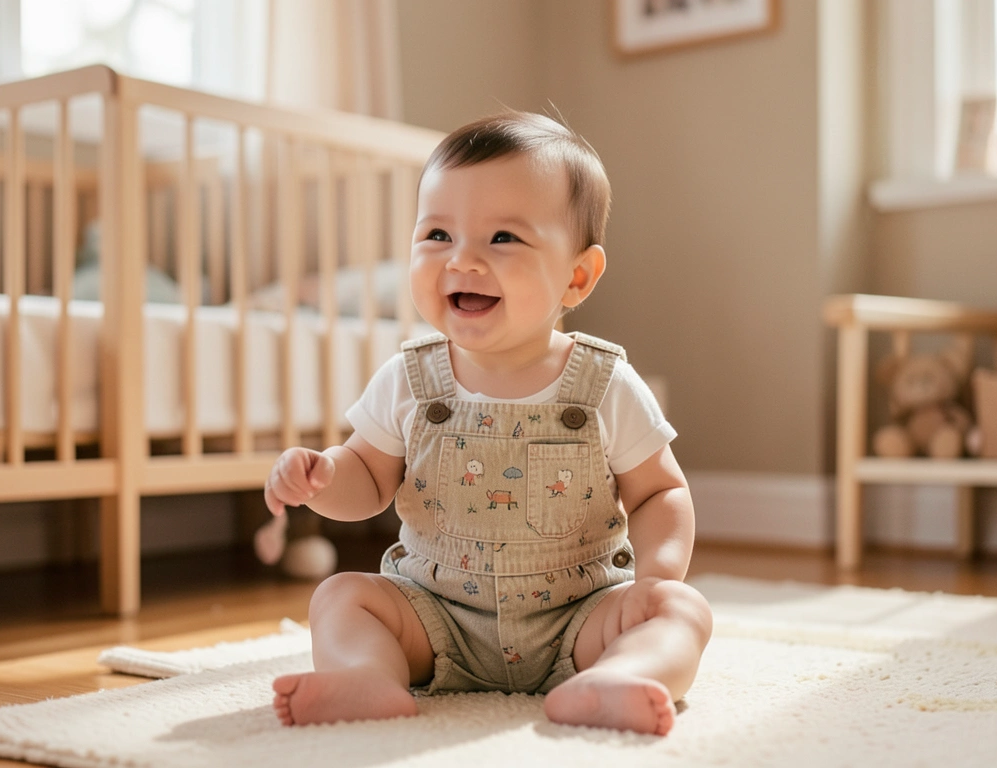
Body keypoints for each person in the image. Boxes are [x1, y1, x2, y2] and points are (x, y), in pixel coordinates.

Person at [263, 111, 713, 736]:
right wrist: (321, 476)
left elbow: (661, 491)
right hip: (433, 614)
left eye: (502, 238)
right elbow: (365, 480)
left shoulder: (603, 384)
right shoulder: (409, 380)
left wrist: (653, 581)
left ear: (576, 276)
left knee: (680, 609)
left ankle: (620, 675)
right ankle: (369, 675)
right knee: (339, 596)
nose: (463, 260)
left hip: (579, 618)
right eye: (438, 235)